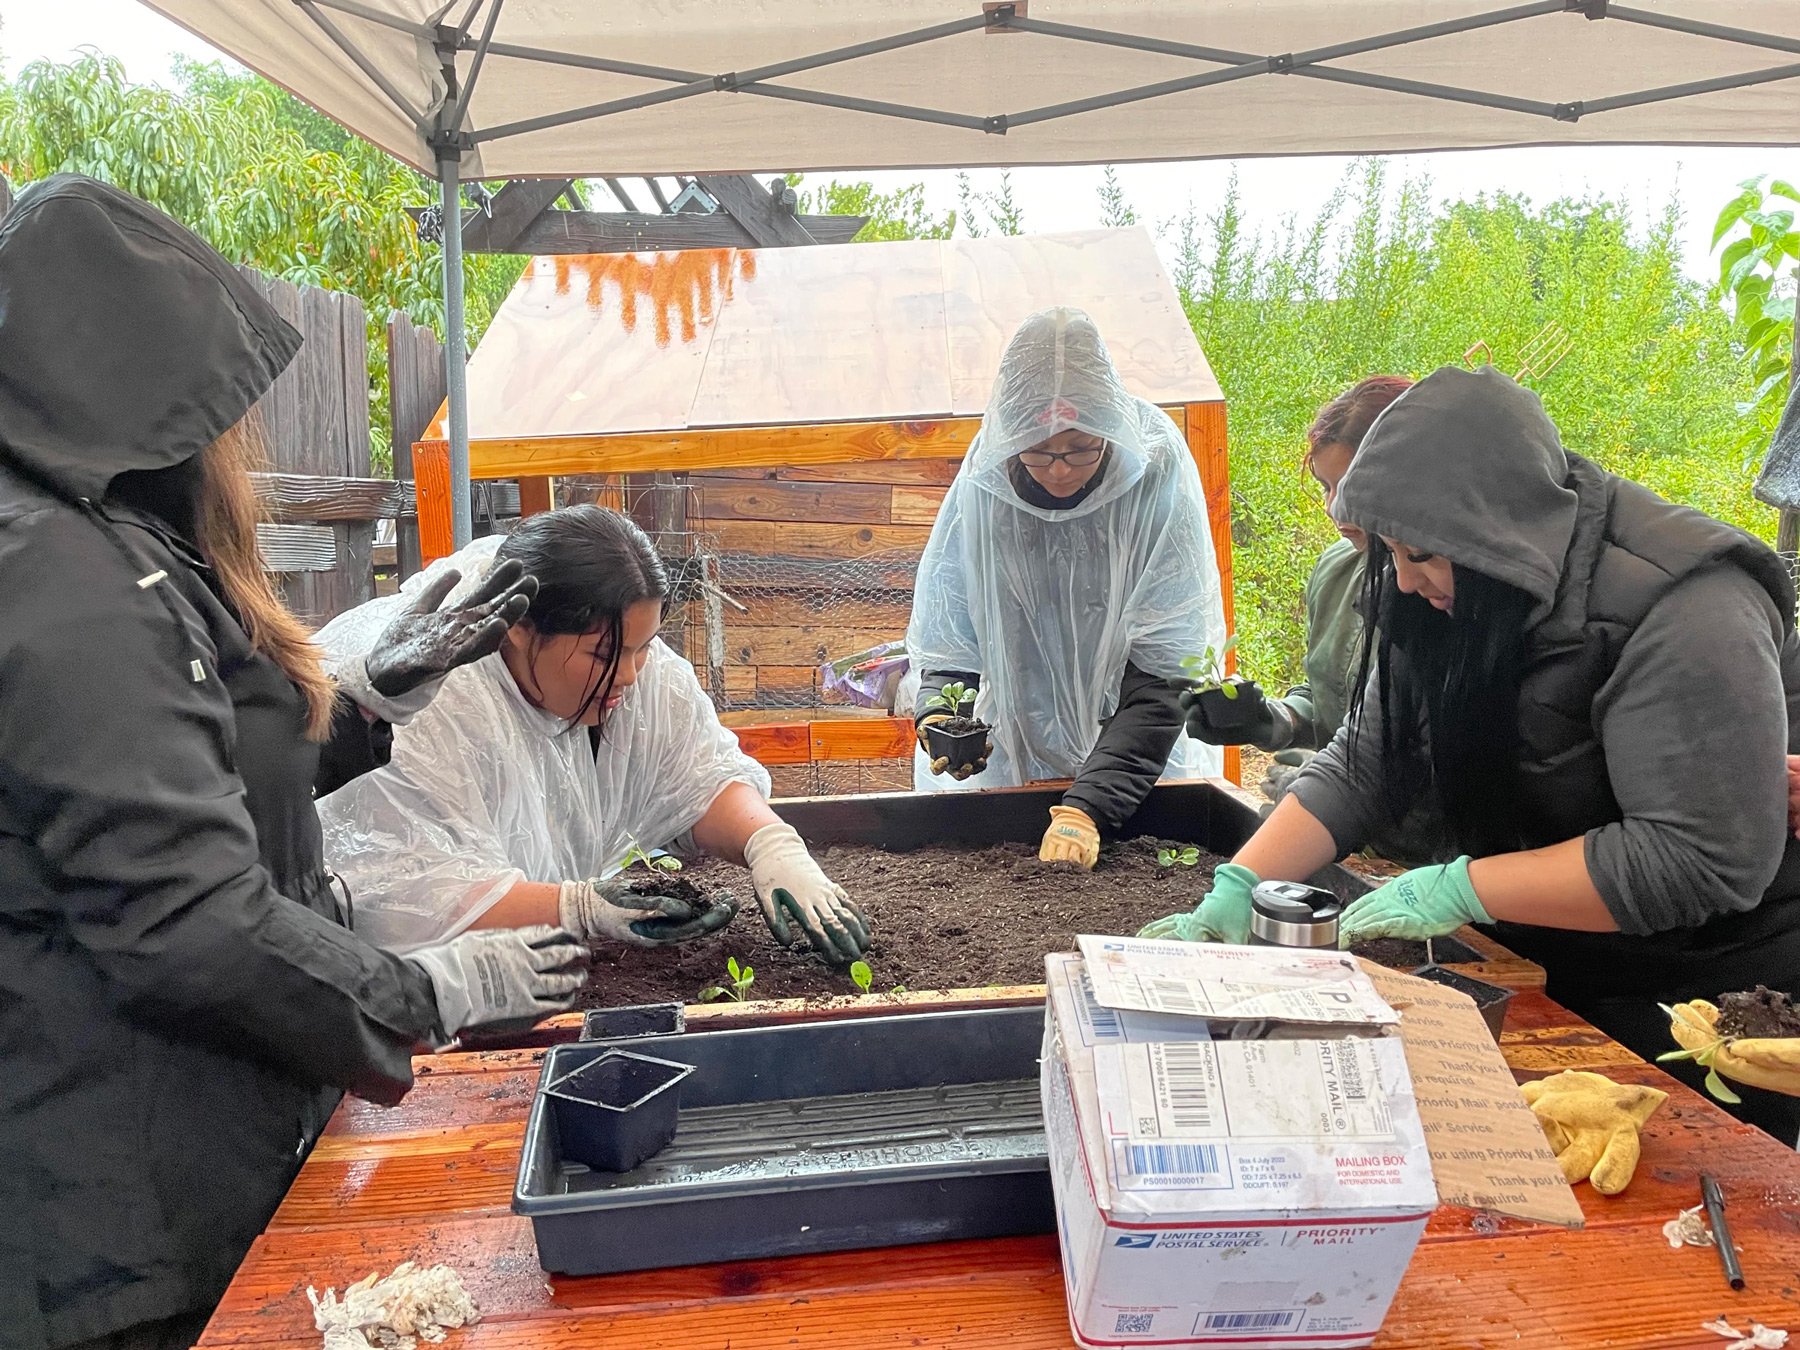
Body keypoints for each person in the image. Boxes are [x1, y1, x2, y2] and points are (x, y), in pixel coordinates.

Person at [0, 177, 589, 1350]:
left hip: (166, 1157)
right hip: (113, 1219)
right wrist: (427, 992)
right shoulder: (60, 577)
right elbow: (185, 918)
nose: (236, 435)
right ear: (140, 383)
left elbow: (171, 783)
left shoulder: (99, 538)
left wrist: (364, 708)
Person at [1144, 365, 1800, 1142]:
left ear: (1496, 533)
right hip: (1557, 950)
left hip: (1709, 988)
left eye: (1421, 555)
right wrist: (1242, 883)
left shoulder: (1686, 608)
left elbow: (1695, 859)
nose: (1409, 580)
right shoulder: (1448, 588)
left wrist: (1459, 887)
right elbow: (1368, 757)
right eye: (1390, 553)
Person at [316, 506, 871, 962]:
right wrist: (577, 909)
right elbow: (411, 902)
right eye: (605, 654)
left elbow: (694, 773)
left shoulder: (627, 666)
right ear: (518, 631)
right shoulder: (428, 704)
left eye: (644, 647)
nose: (630, 674)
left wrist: (772, 845)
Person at [904, 307, 1228, 869]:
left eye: (1080, 448)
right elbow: (952, 630)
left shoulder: (1154, 466)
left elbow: (1168, 667)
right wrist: (938, 715)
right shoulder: (988, 475)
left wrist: (1090, 805)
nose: (1058, 469)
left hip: (1140, 767)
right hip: (1012, 766)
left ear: (1108, 427)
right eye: (1038, 449)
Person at [1182, 377, 1412, 804]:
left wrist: (1336, 782)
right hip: (1347, 839)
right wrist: (1271, 719)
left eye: (1351, 488)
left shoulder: (1447, 586)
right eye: (1327, 487)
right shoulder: (1336, 570)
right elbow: (1326, 696)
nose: (1334, 508)